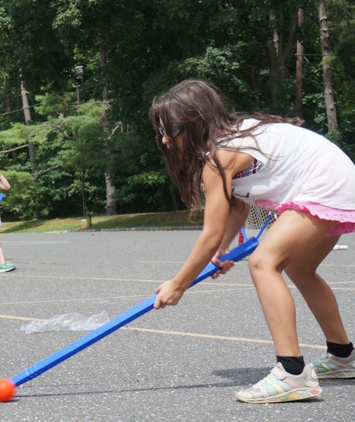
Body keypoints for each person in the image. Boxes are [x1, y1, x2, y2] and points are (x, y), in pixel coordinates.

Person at [150, 79, 355, 404]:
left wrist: (178, 284)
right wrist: (222, 250)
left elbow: (210, 232)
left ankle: (292, 374)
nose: (163, 139)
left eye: (170, 129)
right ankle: (343, 356)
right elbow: (238, 206)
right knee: (300, 269)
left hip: (324, 182)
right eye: (159, 130)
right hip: (338, 176)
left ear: (194, 122)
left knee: (264, 263)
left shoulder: (220, 157)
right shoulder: (230, 139)